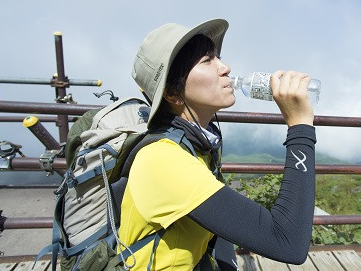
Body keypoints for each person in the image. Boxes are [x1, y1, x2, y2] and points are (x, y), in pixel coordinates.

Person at [118, 18, 316, 270]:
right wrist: (300, 126)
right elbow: (288, 243)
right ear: (171, 93)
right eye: (206, 61)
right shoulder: (163, 160)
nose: (226, 68)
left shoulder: (195, 144)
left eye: (217, 57)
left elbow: (217, 224)